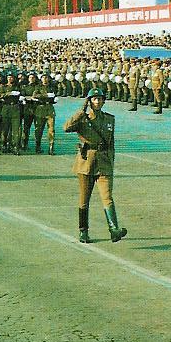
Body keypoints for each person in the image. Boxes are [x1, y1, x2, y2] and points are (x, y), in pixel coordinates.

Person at [63, 88, 127, 244]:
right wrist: (81, 112)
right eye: (94, 99)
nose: (97, 102)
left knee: (107, 197)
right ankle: (83, 231)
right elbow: (66, 127)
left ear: (104, 101)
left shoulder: (109, 119)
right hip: (86, 162)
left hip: (104, 163)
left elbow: (111, 143)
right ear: (89, 101)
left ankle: (114, 230)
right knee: (84, 199)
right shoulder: (82, 119)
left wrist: (111, 161)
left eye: (100, 99)